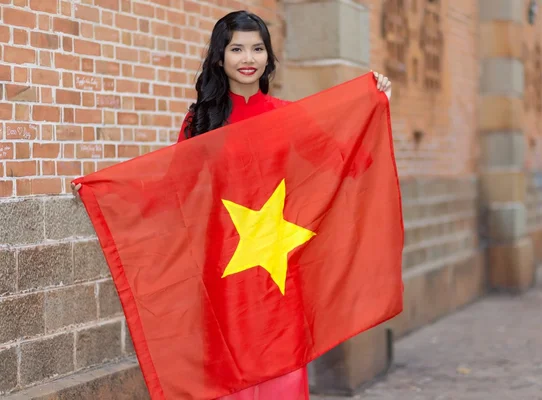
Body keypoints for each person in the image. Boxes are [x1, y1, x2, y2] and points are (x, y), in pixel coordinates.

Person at [71, 9, 392, 399]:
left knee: (281, 358)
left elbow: (350, 161)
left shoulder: (287, 116)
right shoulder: (200, 121)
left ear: (268, 58)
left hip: (280, 261)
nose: (247, 58)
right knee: (229, 360)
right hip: (223, 263)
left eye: (257, 49)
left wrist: (374, 105)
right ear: (219, 57)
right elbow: (173, 189)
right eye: (236, 48)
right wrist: (104, 191)